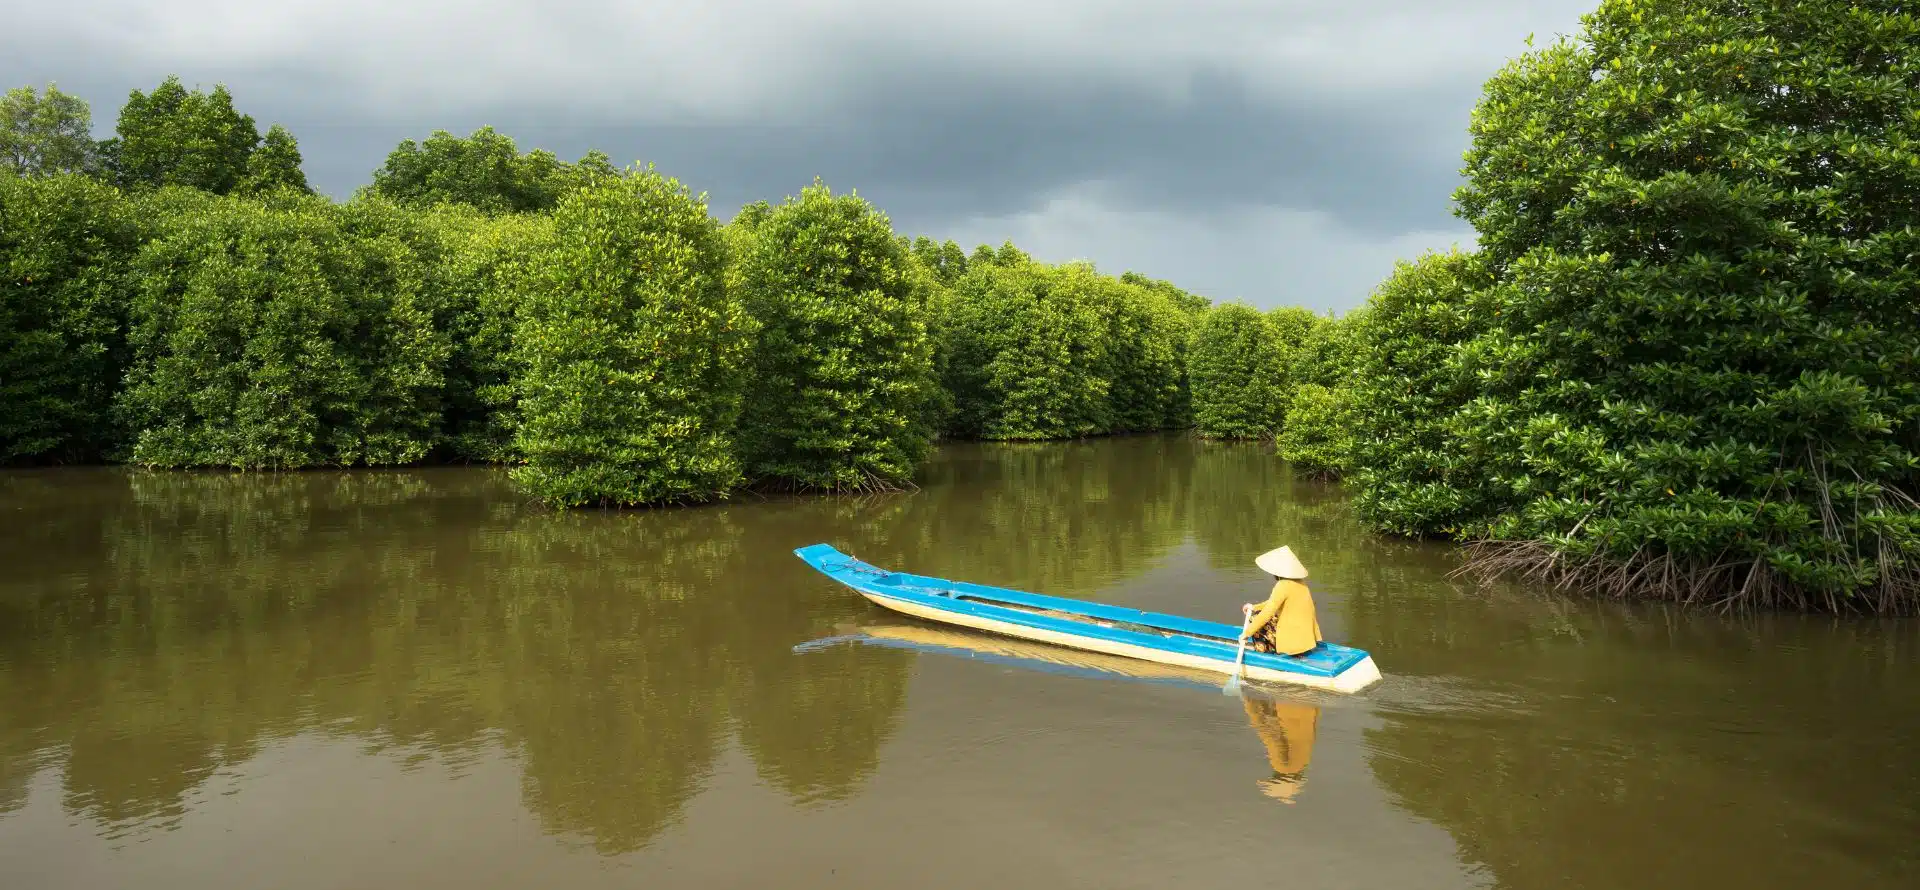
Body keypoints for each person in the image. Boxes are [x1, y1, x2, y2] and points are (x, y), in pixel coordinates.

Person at [1240, 545, 1322, 657]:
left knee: (1255, 619)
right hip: (1307, 639)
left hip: (1293, 641)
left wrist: (1246, 634)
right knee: (1260, 614)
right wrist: (1254, 607)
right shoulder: (1301, 583)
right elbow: (1273, 602)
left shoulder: (1282, 585)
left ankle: (1265, 655)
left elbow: (1267, 613)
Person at [1244, 695, 1319, 804]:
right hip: (1288, 705)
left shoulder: (1303, 763)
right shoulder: (1281, 766)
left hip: (1309, 707)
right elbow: (1272, 738)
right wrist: (1250, 705)